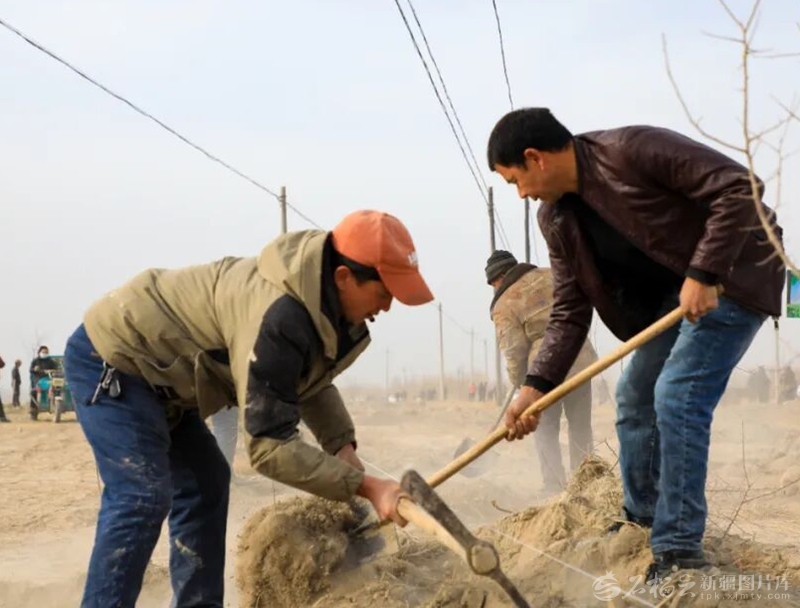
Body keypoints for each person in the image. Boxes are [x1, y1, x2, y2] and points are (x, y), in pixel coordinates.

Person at [62, 210, 434, 608]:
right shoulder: (279, 315)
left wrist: (342, 447)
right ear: (344, 277)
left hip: (167, 387)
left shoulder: (319, 308)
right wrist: (368, 486)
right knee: (143, 494)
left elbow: (307, 383)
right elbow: (269, 446)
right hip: (116, 360)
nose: (388, 307)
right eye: (384, 292)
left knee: (207, 482)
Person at [487, 108, 784, 582]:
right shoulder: (556, 218)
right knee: (632, 396)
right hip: (673, 302)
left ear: (534, 157)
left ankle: (679, 548)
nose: (521, 194)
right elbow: (569, 310)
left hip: (733, 276)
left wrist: (704, 271)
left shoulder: (630, 150)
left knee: (677, 394)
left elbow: (738, 188)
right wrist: (534, 387)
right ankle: (641, 517)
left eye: (514, 181)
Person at [485, 249, 597, 495]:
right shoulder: (553, 274)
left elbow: (513, 351)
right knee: (580, 425)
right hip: (580, 357)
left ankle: (554, 487)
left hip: (543, 373)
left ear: (499, 278)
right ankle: (587, 483)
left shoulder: (504, 304)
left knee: (545, 429)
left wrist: (520, 383)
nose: (495, 290)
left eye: (494, 285)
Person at [29, 346, 57, 420]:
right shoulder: (35, 361)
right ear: (39, 352)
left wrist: (51, 371)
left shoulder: (51, 361)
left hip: (48, 379)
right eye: (43, 352)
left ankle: (55, 407)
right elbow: (31, 370)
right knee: (33, 392)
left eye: (46, 352)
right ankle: (33, 412)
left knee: (57, 389)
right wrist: (35, 369)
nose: (45, 353)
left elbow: (55, 369)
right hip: (38, 379)